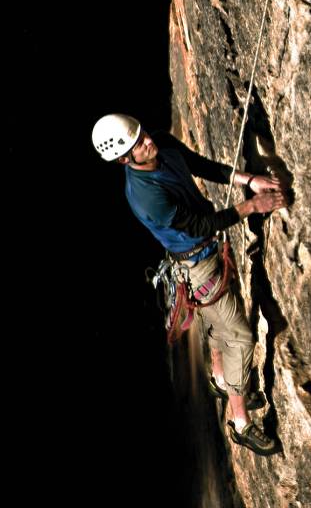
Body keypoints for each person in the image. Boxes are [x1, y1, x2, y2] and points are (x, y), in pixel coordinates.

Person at [93, 113, 289, 455]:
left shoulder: (162, 144)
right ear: (124, 159)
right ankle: (240, 423)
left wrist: (249, 179)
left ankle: (218, 379)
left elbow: (200, 165)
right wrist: (252, 206)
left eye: (142, 133)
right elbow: (198, 225)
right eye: (138, 144)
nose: (148, 141)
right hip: (197, 263)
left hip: (201, 257)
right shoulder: (144, 196)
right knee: (240, 336)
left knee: (217, 322)